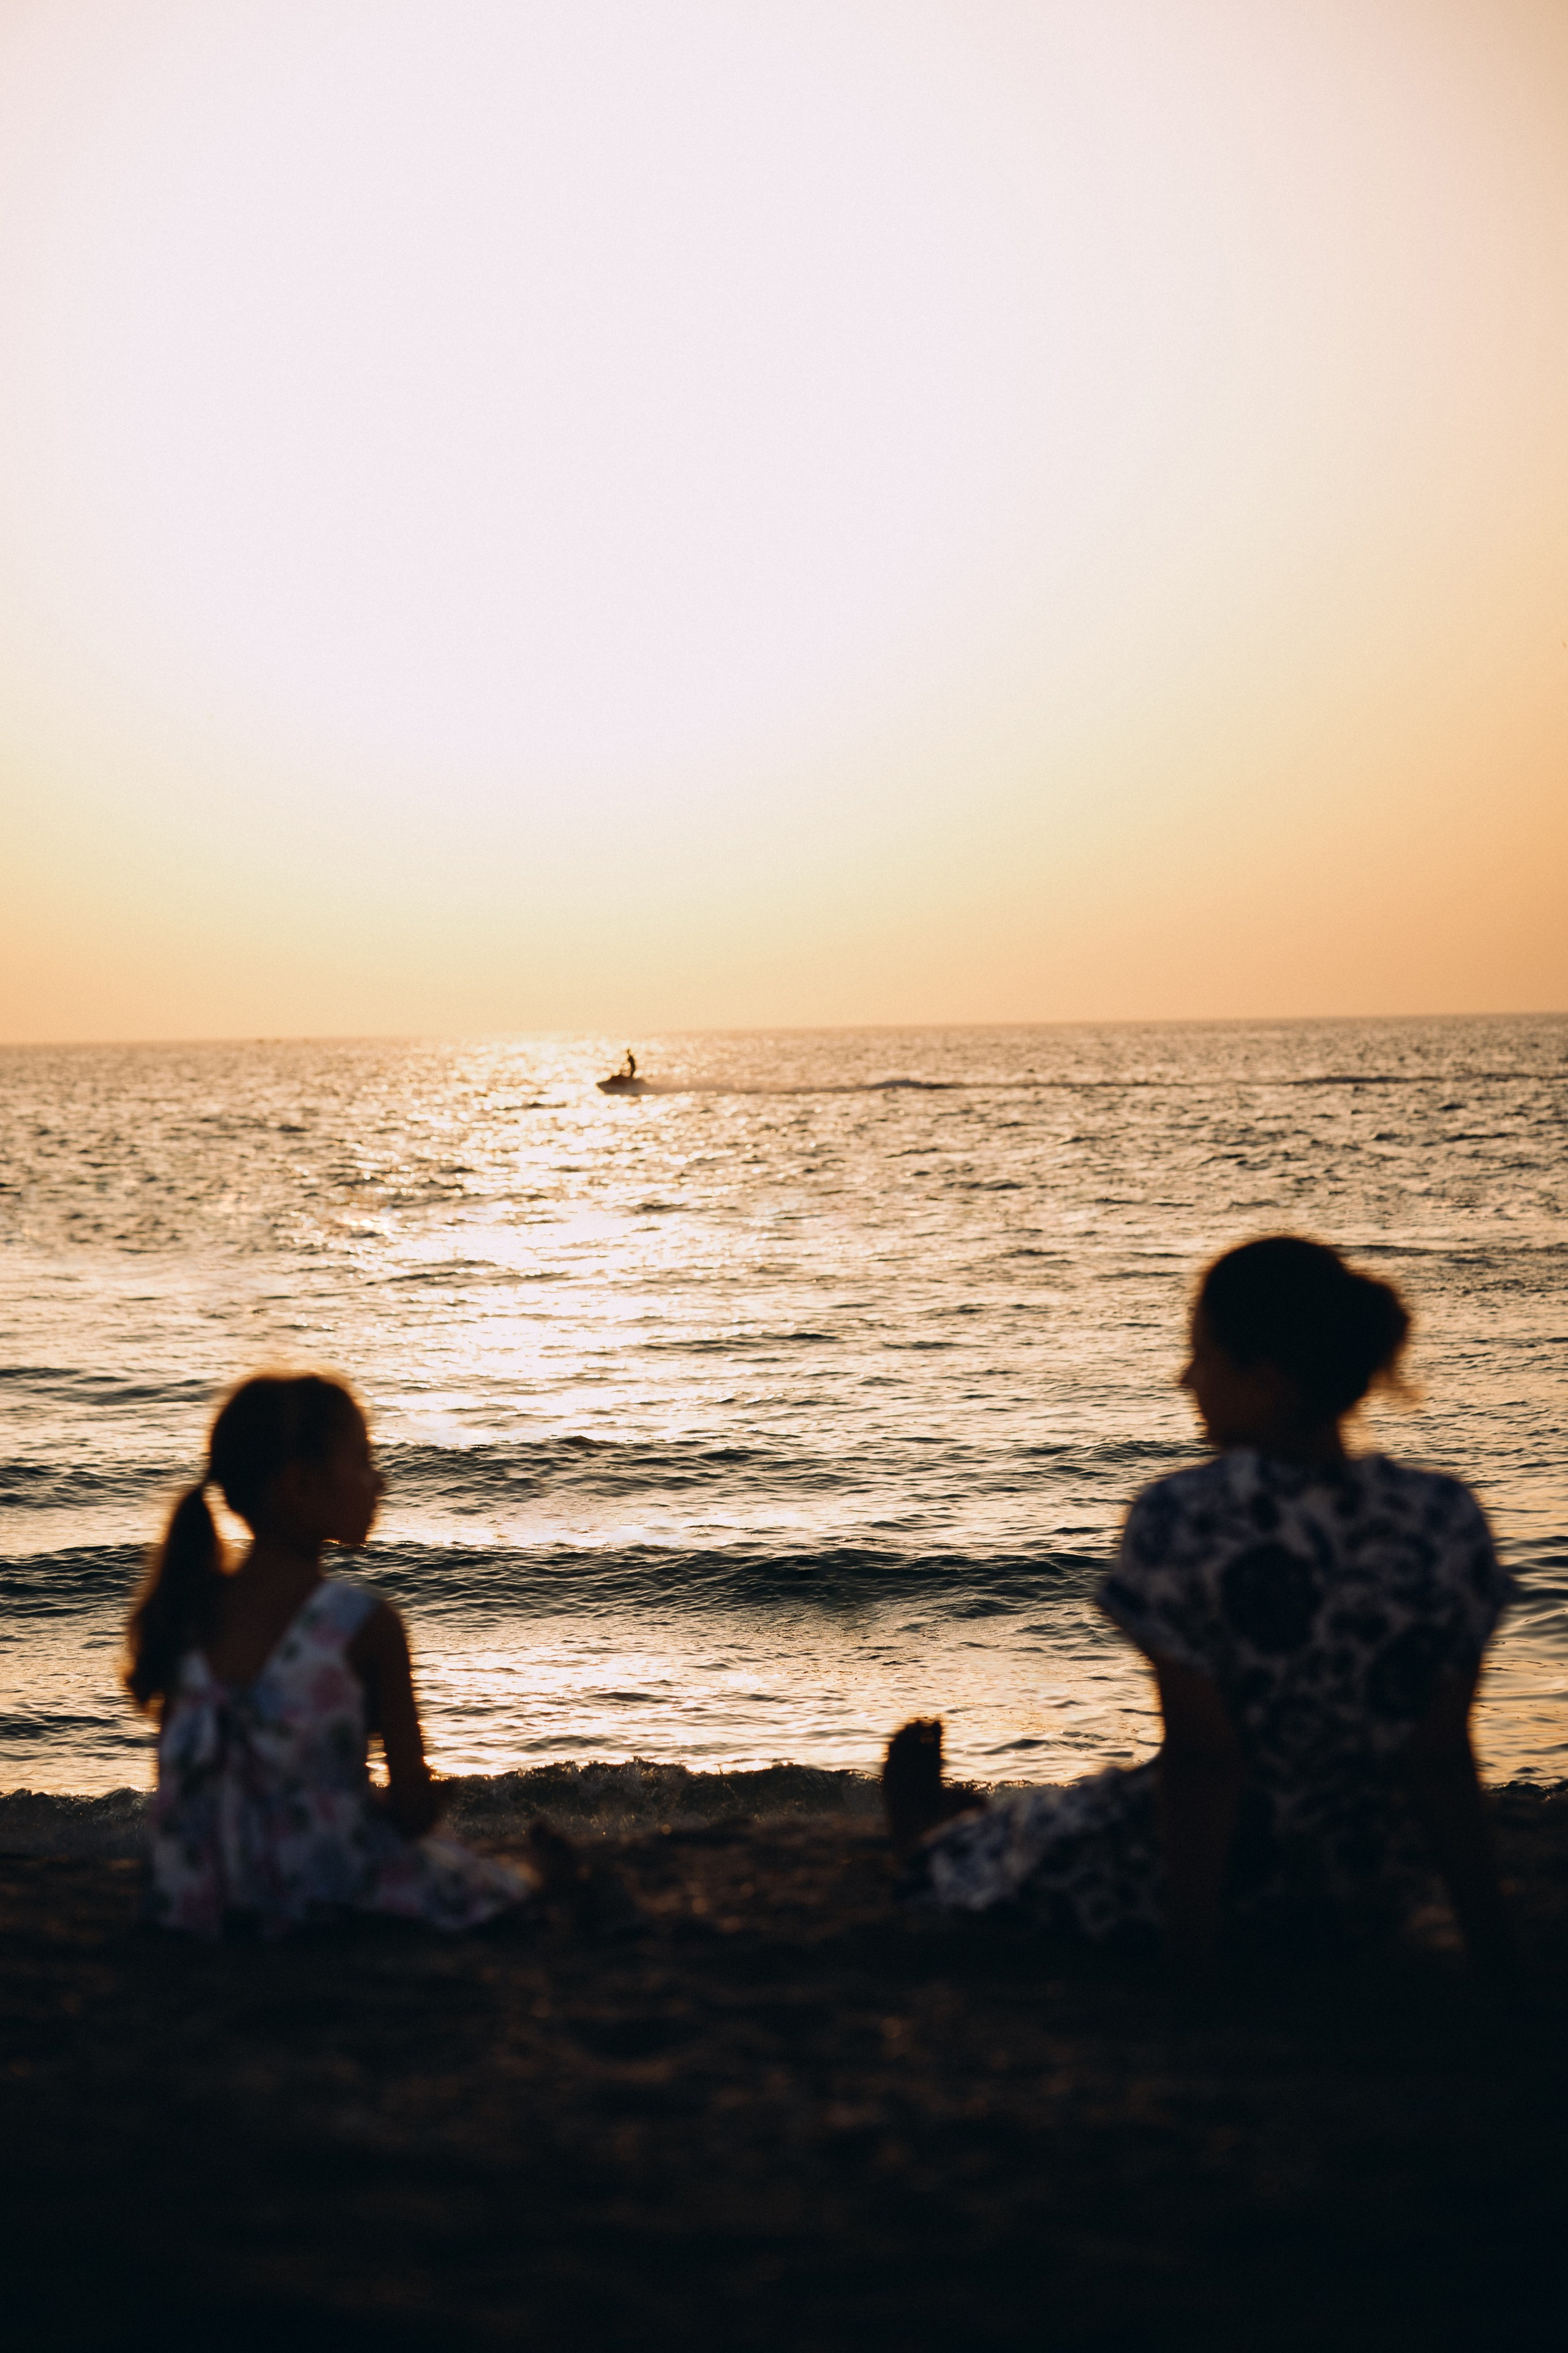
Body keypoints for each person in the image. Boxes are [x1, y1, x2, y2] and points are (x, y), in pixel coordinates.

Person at [884, 1236, 1519, 1974]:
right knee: (1070, 1811)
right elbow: (1440, 1758)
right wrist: (1497, 1952)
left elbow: (1204, 1759)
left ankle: (933, 1841)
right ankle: (963, 1825)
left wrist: (1192, 1956)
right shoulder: (1444, 1516)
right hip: (1366, 1889)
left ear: (1266, 1379)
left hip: (1221, 1884)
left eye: (1202, 1355)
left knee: (1041, 1838)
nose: (1185, 1378)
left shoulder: (1184, 1516)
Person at [124, 1372, 541, 1938]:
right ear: (301, 1483)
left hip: (198, 1893)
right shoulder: (363, 1624)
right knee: (490, 1883)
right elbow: (414, 1810)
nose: (381, 1480)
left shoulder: (188, 1611)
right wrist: (431, 1796)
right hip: (318, 1892)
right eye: (364, 1460)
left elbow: (193, 1780)